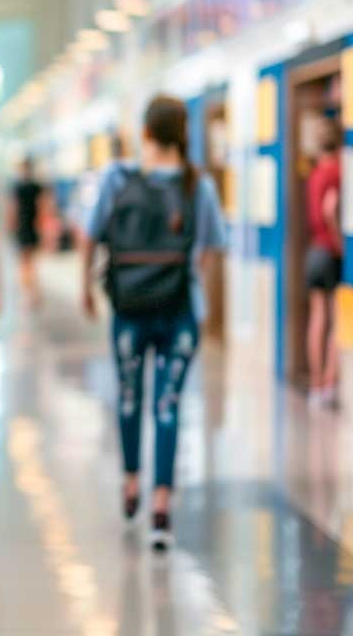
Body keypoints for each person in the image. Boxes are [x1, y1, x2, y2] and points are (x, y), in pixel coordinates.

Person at [80, 95, 225, 551]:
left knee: (127, 395)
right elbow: (210, 247)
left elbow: (90, 234)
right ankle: (162, 504)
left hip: (129, 309)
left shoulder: (118, 178)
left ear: (145, 132)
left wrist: (86, 285)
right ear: (184, 132)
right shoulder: (196, 185)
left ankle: (130, 482)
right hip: (179, 310)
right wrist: (188, 282)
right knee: (168, 404)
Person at [305, 116, 343, 408]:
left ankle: (315, 383)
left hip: (313, 251)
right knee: (335, 319)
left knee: (317, 319)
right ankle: (330, 381)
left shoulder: (315, 173)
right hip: (330, 251)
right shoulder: (337, 171)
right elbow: (331, 209)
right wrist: (340, 244)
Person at [10, 157, 43, 308]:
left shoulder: (18, 187)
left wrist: (11, 227)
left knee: (24, 264)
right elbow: (44, 207)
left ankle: (28, 295)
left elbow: (13, 209)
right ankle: (33, 294)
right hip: (32, 228)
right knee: (31, 263)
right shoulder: (36, 186)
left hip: (24, 228)